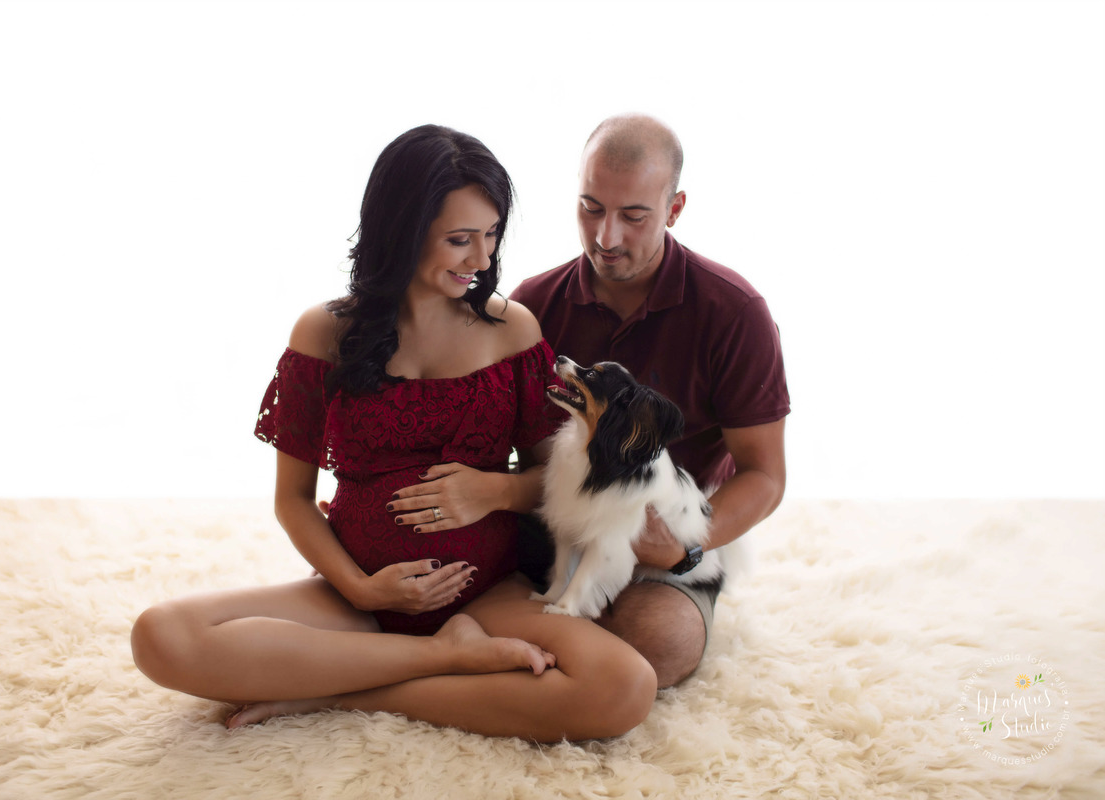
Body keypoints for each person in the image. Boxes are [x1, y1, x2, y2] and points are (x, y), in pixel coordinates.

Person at [130, 124, 657, 742]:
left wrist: (491, 491)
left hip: (484, 594)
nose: (482, 260)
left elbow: (561, 479)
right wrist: (361, 587)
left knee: (625, 687)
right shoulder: (322, 334)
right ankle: (441, 660)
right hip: (357, 598)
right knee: (160, 637)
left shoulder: (511, 330)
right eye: (460, 240)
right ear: (402, 233)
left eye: (491, 236)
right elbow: (292, 500)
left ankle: (343, 692)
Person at [510, 113, 790, 688]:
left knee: (658, 643)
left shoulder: (733, 312)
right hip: (554, 521)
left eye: (633, 216)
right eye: (590, 208)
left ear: (675, 208)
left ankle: (536, 661)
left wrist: (684, 549)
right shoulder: (532, 304)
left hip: (664, 533)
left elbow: (764, 475)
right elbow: (506, 450)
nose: (606, 237)